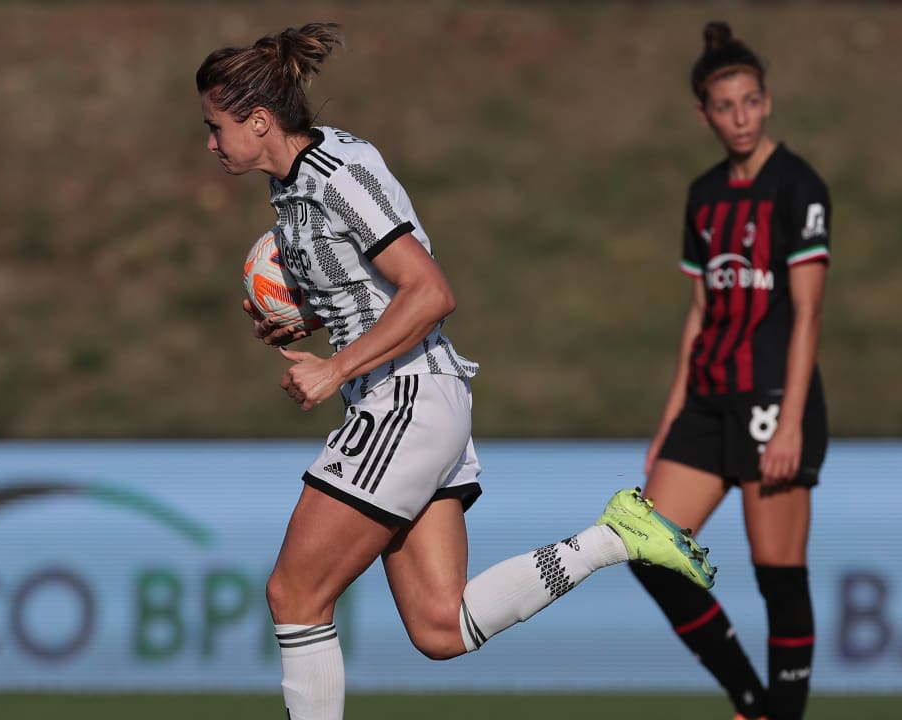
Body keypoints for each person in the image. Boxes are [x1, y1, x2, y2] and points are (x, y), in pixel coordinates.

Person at [196, 23, 716, 720]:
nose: (209, 143)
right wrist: (314, 319)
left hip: (402, 401)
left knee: (294, 597)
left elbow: (432, 292)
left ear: (259, 121)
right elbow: (374, 288)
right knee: (442, 628)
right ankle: (614, 537)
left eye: (215, 126)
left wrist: (332, 370)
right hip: (420, 399)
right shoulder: (304, 177)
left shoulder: (336, 178)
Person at [632, 21, 831, 720]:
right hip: (708, 400)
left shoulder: (797, 187)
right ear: (704, 114)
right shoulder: (705, 194)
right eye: (726, 105)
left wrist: (791, 426)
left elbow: (806, 315)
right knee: (646, 547)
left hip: (772, 399)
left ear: (768, 101)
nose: (740, 116)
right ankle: (751, 699)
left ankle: (782, 712)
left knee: (778, 575)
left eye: (751, 101)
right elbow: (698, 314)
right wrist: (667, 426)